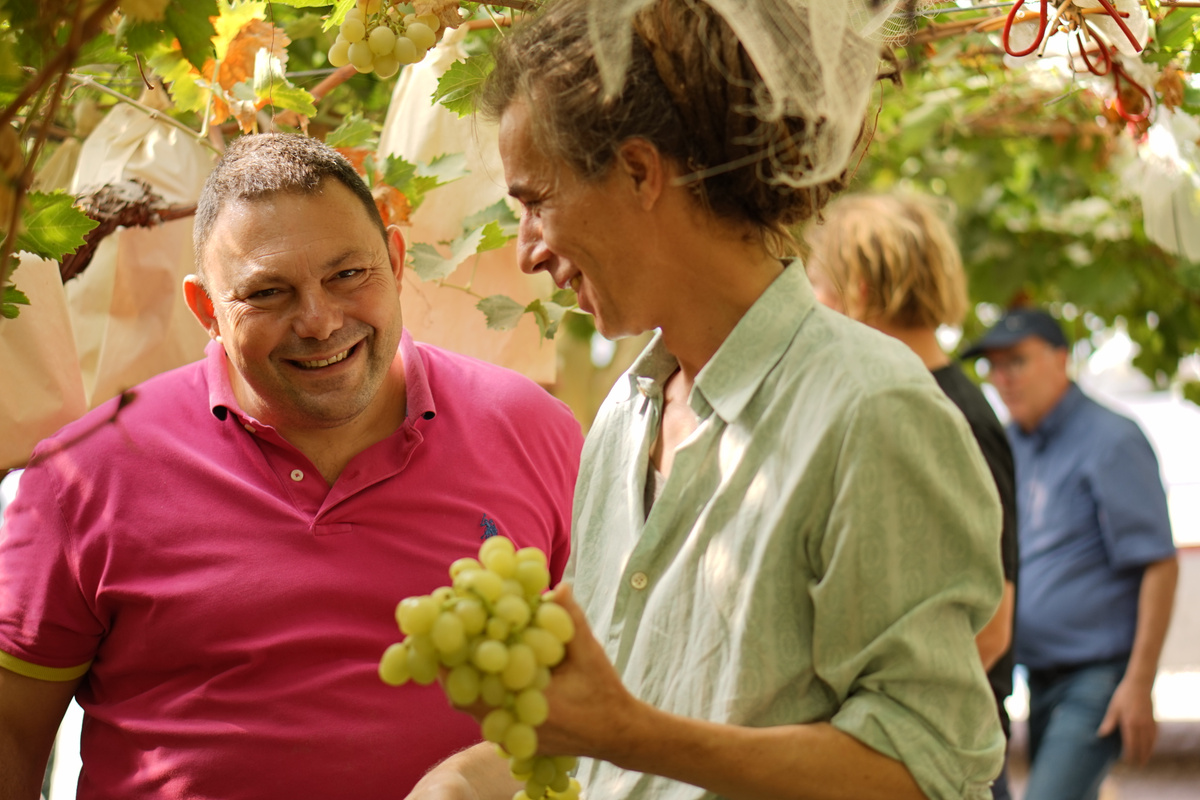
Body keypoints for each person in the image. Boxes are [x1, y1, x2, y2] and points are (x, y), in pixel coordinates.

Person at [409, 2, 1007, 800]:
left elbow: (928, 769)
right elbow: (612, 735)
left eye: (535, 201)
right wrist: (467, 779)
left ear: (638, 172)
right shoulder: (627, 415)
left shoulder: (871, 410)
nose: (524, 253)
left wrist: (630, 734)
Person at [0, 133, 583, 800]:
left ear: (395, 261)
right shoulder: (85, 473)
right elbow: (11, 733)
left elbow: (623, 691)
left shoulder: (533, 430)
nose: (318, 320)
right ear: (206, 310)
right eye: (269, 293)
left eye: (347, 275)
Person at [803, 191, 1019, 799]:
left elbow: (992, 626)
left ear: (860, 291)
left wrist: (892, 741)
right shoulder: (900, 401)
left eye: (819, 288)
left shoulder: (950, 414)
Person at [961, 307, 1178, 800]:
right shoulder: (1008, 442)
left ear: (1061, 360)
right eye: (993, 366)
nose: (1002, 378)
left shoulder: (1112, 439)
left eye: (1016, 361)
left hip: (1098, 677)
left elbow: (1159, 565)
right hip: (1033, 675)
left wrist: (1139, 683)